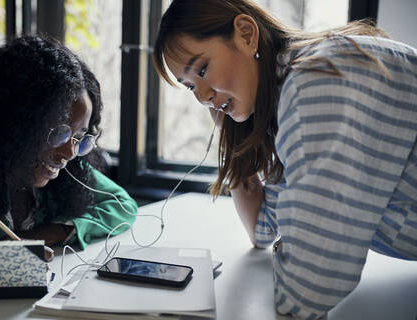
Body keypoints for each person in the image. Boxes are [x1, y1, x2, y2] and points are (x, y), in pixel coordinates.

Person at [152, 0, 417, 318]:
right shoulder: (290, 91)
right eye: (191, 86)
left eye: (203, 69)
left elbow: (308, 291)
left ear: (246, 34)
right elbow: (262, 229)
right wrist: (228, 128)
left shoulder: (317, 84)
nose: (202, 97)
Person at [0, 36, 137, 262]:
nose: (69, 153)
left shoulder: (66, 173)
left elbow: (122, 205)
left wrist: (49, 233)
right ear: (14, 120)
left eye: (79, 137)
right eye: (58, 132)